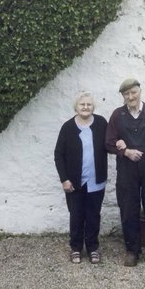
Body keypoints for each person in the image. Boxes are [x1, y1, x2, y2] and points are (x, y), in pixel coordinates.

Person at [105, 77, 145, 266]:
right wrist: (125, 151)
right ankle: (132, 251)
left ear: (139, 92)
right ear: (123, 97)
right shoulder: (118, 116)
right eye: (126, 94)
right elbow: (108, 143)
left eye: (133, 92)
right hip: (127, 171)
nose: (130, 96)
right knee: (128, 210)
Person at [53, 90, 109, 264]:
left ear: (93, 107)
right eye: (82, 104)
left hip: (96, 180)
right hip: (74, 182)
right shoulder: (68, 127)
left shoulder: (101, 123)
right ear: (76, 107)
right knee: (76, 215)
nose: (85, 107)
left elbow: (111, 142)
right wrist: (64, 179)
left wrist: (121, 143)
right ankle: (76, 248)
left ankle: (92, 247)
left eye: (89, 104)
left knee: (93, 215)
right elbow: (58, 154)